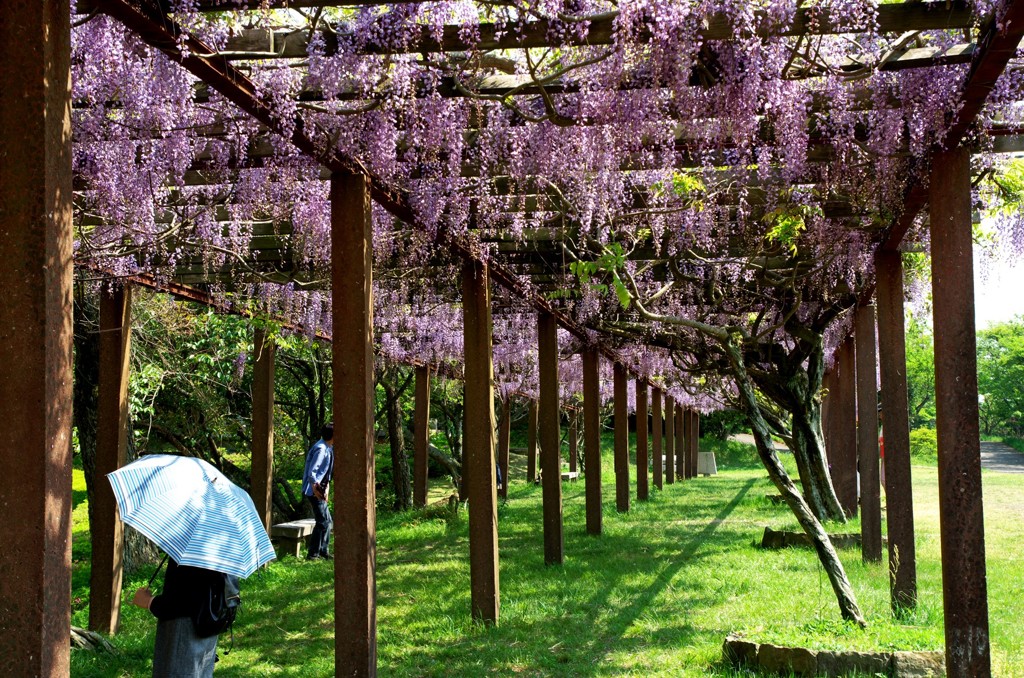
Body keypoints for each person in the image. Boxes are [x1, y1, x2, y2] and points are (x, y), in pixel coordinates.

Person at [131, 558, 224, 677]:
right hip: (209, 622)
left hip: (185, 629)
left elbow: (181, 601)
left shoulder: (192, 553)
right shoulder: (221, 550)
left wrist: (149, 602)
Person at [302, 422, 335, 560]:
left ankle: (323, 550)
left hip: (321, 487)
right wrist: (317, 490)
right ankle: (313, 554)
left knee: (327, 520)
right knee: (322, 522)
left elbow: (326, 473)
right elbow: (312, 472)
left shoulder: (328, 447)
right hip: (314, 489)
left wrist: (326, 488)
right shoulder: (321, 449)